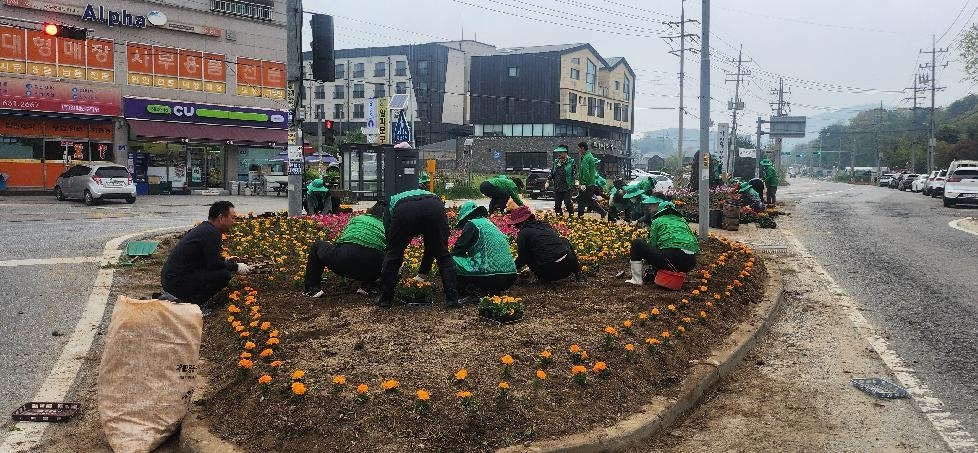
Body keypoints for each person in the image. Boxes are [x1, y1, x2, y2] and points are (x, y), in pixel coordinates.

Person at [377, 188, 460, 308]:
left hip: (405, 210)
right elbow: (433, 245)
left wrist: (394, 256)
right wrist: (423, 273)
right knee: (443, 255)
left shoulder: (392, 201)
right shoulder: (430, 195)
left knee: (394, 254)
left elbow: (390, 236)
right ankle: (452, 300)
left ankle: (385, 299)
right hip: (434, 206)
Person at [161, 200, 251, 305]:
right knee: (223, 275)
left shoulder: (205, 229)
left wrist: (226, 260)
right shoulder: (212, 233)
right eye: (233, 218)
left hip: (170, 280)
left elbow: (207, 259)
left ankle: (184, 300)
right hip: (176, 283)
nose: (234, 222)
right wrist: (236, 267)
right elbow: (213, 265)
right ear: (221, 218)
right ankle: (193, 306)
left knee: (220, 271)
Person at [302, 203, 386, 298]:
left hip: (343, 261)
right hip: (372, 269)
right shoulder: (388, 226)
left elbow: (343, 239)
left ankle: (312, 288)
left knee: (317, 245)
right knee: (391, 258)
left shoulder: (358, 219)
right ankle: (368, 286)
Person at [451, 201, 518, 301]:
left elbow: (458, 250)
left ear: (466, 217)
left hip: (487, 277)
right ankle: (492, 291)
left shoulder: (471, 224)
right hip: (510, 276)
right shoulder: (490, 224)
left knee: (449, 259)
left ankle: (472, 289)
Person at [625, 201, 699, 285]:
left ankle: (636, 279)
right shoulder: (683, 221)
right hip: (691, 262)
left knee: (637, 243)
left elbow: (653, 244)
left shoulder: (658, 220)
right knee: (666, 254)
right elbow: (696, 245)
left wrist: (648, 259)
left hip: (672, 259)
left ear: (660, 211)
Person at [509, 206, 582, 283]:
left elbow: (523, 258)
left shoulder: (524, 233)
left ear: (521, 222)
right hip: (569, 267)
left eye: (516, 224)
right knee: (564, 241)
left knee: (528, 252)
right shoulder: (546, 226)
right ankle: (578, 271)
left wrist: (511, 270)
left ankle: (539, 277)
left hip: (549, 273)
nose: (516, 227)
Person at [575, 142, 607, 218]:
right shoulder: (588, 156)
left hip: (587, 183)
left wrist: (584, 183)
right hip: (590, 183)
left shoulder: (586, 158)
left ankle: (601, 212)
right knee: (583, 199)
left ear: (582, 148)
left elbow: (586, 172)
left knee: (584, 199)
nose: (578, 151)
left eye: (579, 149)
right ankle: (581, 215)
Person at [549, 145, 576, 217]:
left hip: (567, 186)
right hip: (558, 186)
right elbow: (552, 172)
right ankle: (559, 218)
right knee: (557, 205)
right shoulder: (556, 162)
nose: (559, 154)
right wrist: (548, 180)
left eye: (561, 152)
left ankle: (571, 216)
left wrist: (575, 181)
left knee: (567, 203)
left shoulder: (571, 161)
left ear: (566, 153)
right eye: (558, 153)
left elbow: (575, 173)